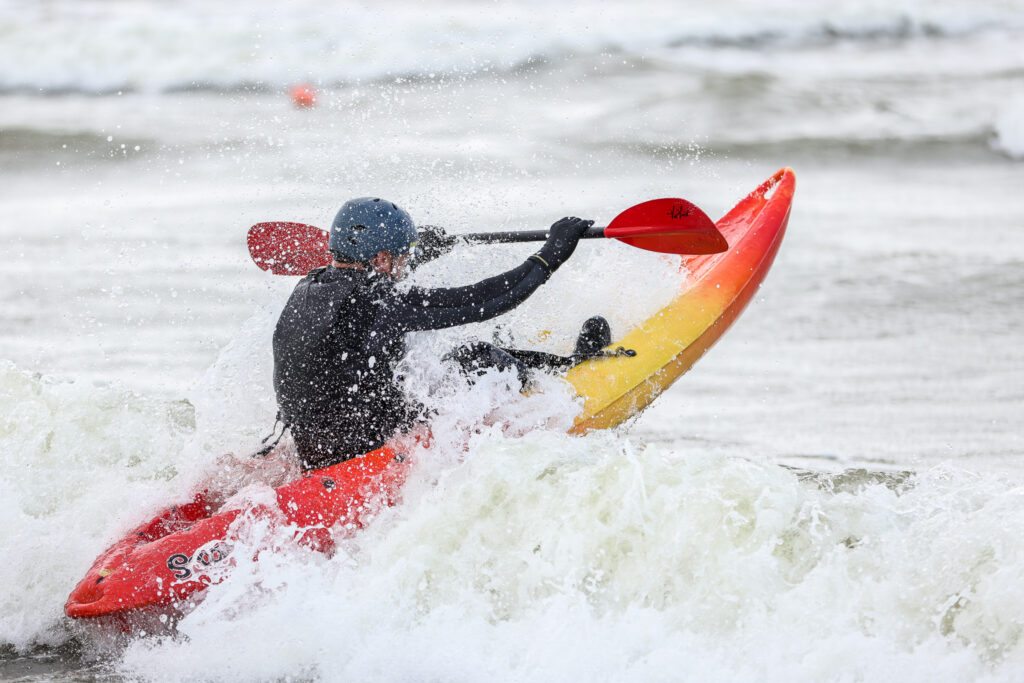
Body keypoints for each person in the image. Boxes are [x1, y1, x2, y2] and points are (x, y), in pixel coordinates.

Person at [271, 197, 609, 471]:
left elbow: (375, 279)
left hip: (317, 450)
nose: (406, 265)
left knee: (421, 372)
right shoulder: (379, 304)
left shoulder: (310, 286)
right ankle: (556, 387)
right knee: (478, 356)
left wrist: (423, 250)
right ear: (382, 258)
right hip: (366, 452)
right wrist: (550, 255)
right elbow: (487, 300)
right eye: (403, 258)